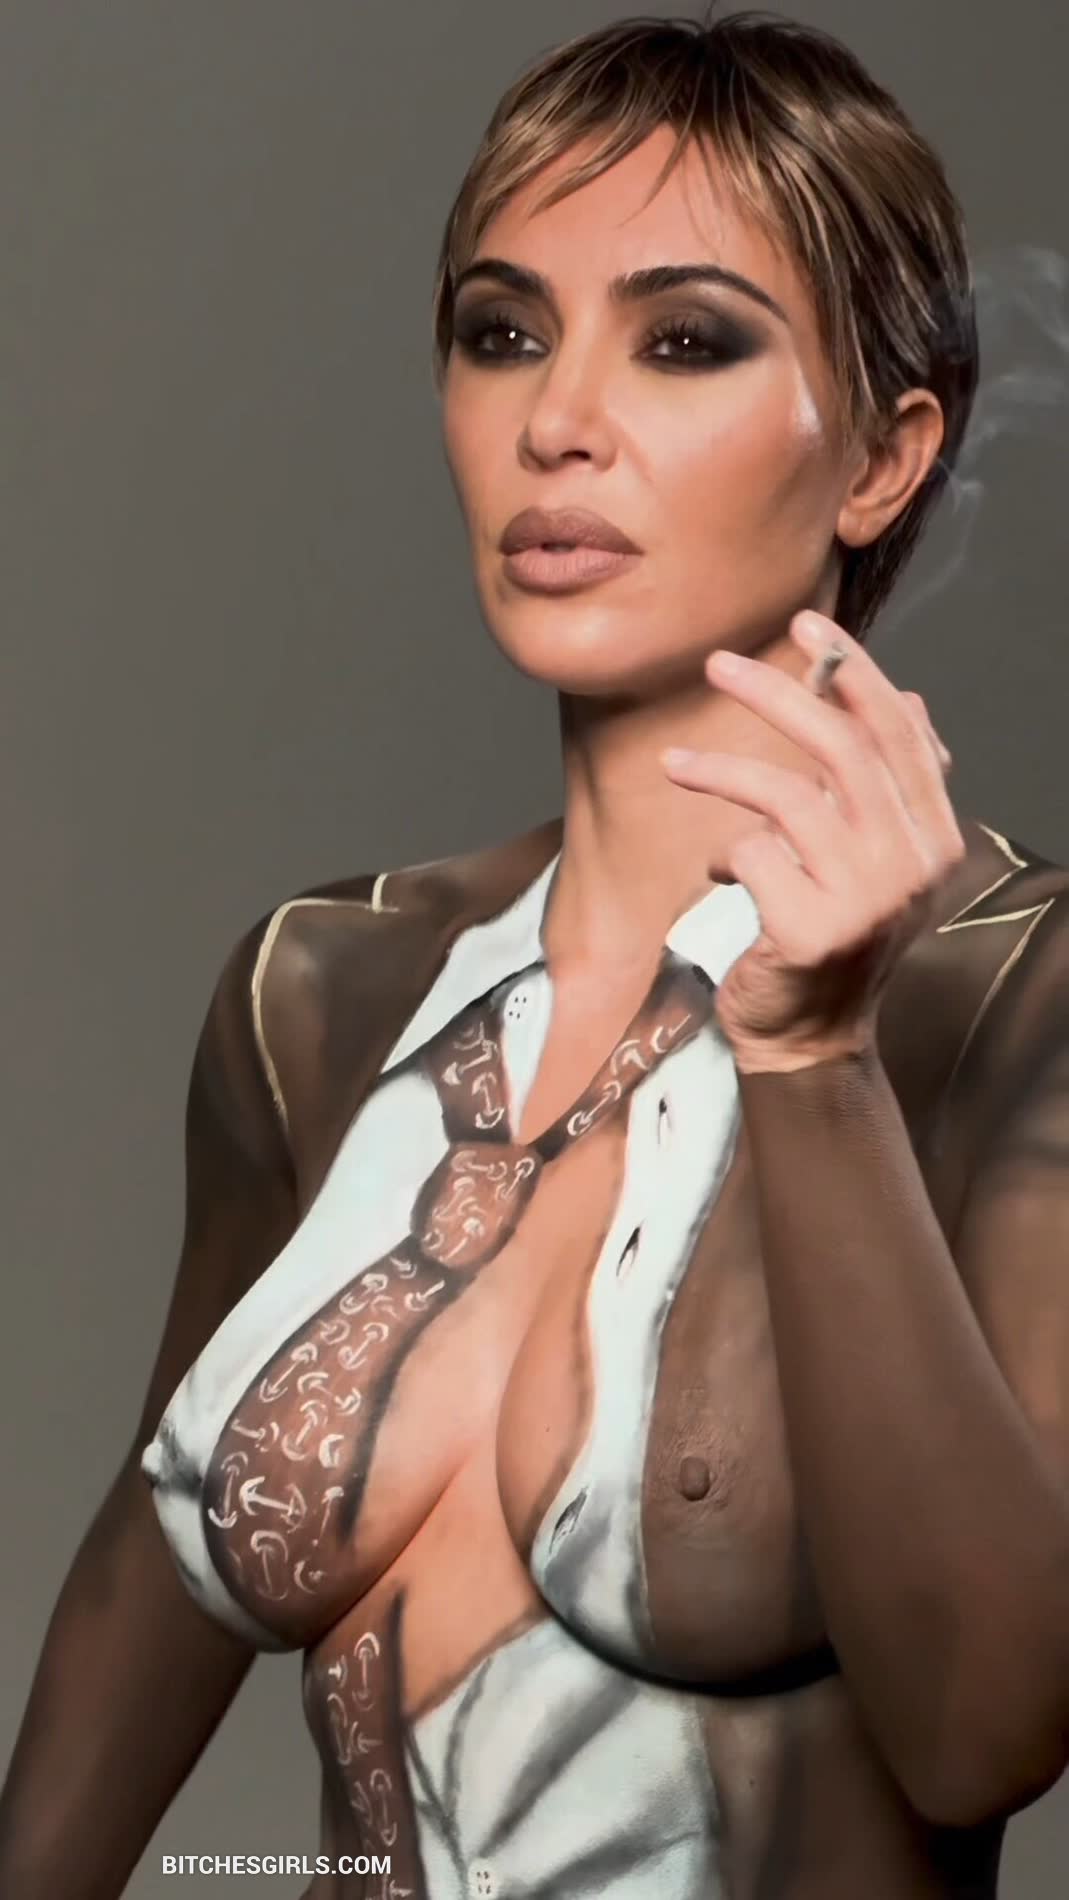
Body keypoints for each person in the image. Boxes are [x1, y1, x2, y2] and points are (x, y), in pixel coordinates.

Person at [4, 8, 1069, 1897]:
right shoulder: (319, 997)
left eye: (683, 340)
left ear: (884, 456)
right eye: (501, 332)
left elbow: (982, 1726)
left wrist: (811, 1058)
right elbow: (125, 1623)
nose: (554, 420)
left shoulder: (1018, 1001)